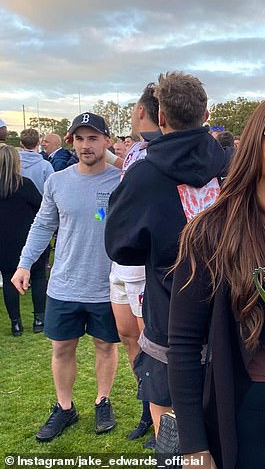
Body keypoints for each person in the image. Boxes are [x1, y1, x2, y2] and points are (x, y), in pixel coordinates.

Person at [168, 93, 265, 469]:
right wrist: (193, 445)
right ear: (256, 140)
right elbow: (184, 344)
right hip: (249, 413)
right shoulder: (211, 232)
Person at [105, 71, 231, 439]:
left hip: (170, 317)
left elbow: (119, 247)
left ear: (160, 118)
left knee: (172, 433)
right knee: (223, 425)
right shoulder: (232, 166)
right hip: (228, 313)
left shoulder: (142, 176)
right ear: (206, 114)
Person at [11, 112, 121, 442]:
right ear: (71, 141)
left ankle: (103, 400)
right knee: (62, 348)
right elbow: (43, 225)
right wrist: (24, 263)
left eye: (93, 137)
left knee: (105, 345)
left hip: (106, 284)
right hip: (64, 283)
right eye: (80, 138)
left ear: (106, 141)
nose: (86, 145)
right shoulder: (57, 181)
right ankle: (64, 407)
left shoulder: (121, 181)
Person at [108, 82, 161, 445]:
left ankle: (161, 414)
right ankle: (146, 408)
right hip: (121, 265)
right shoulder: (133, 152)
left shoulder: (161, 152)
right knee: (128, 336)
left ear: (142, 111)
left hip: (144, 265)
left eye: (131, 111)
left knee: (151, 344)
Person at [0, 144, 45, 335]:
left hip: (4, 243)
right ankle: (39, 319)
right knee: (38, 276)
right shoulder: (24, 185)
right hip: (28, 240)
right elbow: (42, 208)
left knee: (10, 279)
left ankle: (16, 323)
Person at [18, 128, 54, 195]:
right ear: (39, 142)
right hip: (39, 203)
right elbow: (52, 188)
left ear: (21, 143)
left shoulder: (13, 164)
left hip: (17, 202)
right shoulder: (46, 165)